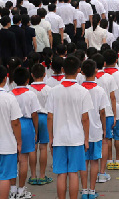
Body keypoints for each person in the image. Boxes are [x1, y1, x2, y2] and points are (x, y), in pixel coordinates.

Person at [46, 55, 94, 199]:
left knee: (61, 173)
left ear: (62, 69)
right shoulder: (83, 91)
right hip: (76, 137)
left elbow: (50, 116)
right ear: (79, 70)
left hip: (59, 137)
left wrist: (51, 138)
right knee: (73, 173)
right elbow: (85, 118)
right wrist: (86, 138)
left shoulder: (54, 91)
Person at [79, 59, 108, 199]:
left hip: (81, 130)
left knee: (83, 161)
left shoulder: (79, 89)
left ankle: (84, 190)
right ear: (96, 71)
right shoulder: (99, 90)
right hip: (96, 128)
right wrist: (104, 128)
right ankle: (92, 189)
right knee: (95, 160)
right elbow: (103, 112)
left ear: (82, 72)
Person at [11, 67, 41, 199]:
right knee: (24, 159)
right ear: (28, 79)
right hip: (27, 125)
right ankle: (21, 190)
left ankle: (12, 189)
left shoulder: (10, 94)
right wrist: (36, 131)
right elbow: (35, 114)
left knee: (12, 159)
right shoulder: (31, 94)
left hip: (13, 124)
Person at [0, 65, 22, 199]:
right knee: (5, 176)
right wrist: (19, 141)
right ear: (5, 78)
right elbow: (15, 122)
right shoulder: (9, 98)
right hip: (6, 145)